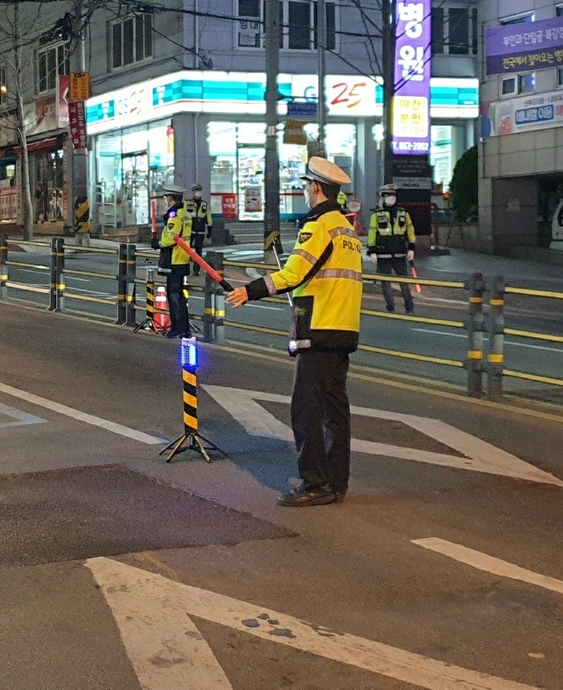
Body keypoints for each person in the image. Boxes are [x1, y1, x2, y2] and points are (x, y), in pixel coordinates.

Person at [225, 157, 363, 507]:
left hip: (318, 327)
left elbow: (293, 274)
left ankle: (314, 482)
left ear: (316, 188)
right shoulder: (347, 231)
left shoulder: (318, 226)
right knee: (335, 410)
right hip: (343, 327)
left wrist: (250, 290)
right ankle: (336, 482)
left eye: (305, 185)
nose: (304, 190)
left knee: (305, 407)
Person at [151, 184, 193, 339]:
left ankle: (179, 329)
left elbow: (171, 237)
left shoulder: (174, 215)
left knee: (174, 296)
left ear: (170, 198)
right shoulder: (185, 213)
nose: (165, 200)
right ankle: (181, 328)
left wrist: (158, 243)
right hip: (182, 258)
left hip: (174, 260)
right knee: (177, 296)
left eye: (166, 197)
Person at [367, 183, 416, 314]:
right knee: (386, 284)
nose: (391, 197)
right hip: (383, 254)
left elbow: (410, 230)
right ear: (382, 197)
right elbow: (372, 234)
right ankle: (390, 307)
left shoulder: (403, 213)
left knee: (404, 282)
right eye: (388, 195)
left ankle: (409, 307)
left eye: (393, 194)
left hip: (400, 253)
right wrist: (372, 251)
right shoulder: (376, 215)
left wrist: (411, 248)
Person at [184, 183, 212, 271]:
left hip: (200, 231)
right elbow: (183, 216)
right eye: (196, 191)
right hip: (189, 230)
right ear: (193, 192)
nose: (198, 192)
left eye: (199, 190)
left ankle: (196, 270)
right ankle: (185, 268)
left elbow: (209, 219)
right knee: (186, 250)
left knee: (198, 252)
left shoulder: (205, 204)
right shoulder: (187, 203)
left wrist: (209, 234)